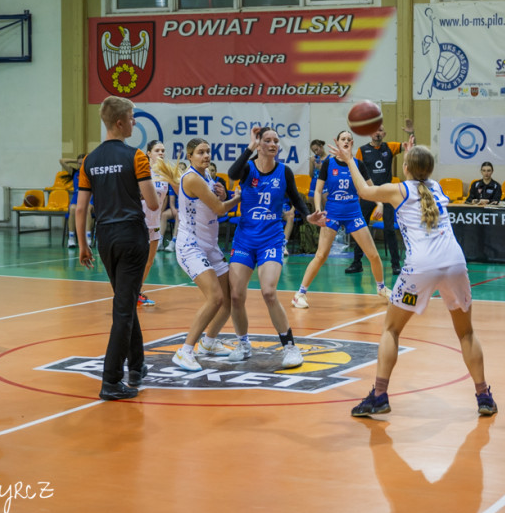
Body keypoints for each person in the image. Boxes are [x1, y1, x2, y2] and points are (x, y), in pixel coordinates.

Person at [333, 139, 496, 417]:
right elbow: (420, 174)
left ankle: (380, 395)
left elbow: (363, 190)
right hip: (455, 263)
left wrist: (349, 159)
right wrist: (412, 153)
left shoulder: (398, 190)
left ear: (405, 167)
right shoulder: (438, 187)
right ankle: (484, 397)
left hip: (421, 268)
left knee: (391, 330)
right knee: (466, 333)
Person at [75, 96, 160, 401]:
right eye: (133, 117)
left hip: (105, 238)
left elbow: (81, 208)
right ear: (121, 122)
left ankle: (137, 365)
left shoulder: (89, 160)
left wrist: (84, 244)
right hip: (131, 236)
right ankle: (111, 380)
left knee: (124, 300)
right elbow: (152, 203)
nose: (135, 122)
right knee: (123, 309)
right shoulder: (136, 157)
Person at [226, 126, 326, 369]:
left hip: (270, 238)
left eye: (275, 141)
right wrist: (250, 145)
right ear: (259, 145)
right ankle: (243, 343)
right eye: (267, 140)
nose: (272, 144)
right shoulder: (247, 168)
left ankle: (290, 347)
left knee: (269, 292)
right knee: (236, 295)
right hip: (245, 239)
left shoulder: (284, 171)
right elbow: (232, 173)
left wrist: (308, 215)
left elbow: (295, 197)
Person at [164, 138, 241, 371]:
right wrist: (238, 198)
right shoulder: (193, 178)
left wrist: (224, 192)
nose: (206, 155)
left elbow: (214, 202)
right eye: (200, 152)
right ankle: (185, 351)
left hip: (210, 246)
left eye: (208, 151)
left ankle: (208, 343)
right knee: (215, 298)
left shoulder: (207, 176)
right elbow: (219, 210)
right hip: (191, 246)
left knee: (229, 301)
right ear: (190, 156)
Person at [292, 130, 391, 309]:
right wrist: (319, 210)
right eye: (342, 139)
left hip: (354, 213)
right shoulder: (328, 163)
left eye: (348, 139)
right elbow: (318, 190)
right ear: (337, 142)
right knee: (321, 255)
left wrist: (380, 204)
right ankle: (300, 294)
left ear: (352, 143)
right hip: (333, 213)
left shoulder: (357, 164)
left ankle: (381, 288)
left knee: (374, 255)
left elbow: (371, 187)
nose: (345, 141)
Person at [348, 120, 413, 276]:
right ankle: (357, 263)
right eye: (375, 130)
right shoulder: (362, 151)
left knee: (390, 230)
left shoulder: (389, 147)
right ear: (370, 133)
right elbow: (357, 174)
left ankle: (396, 265)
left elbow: (411, 150)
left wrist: (411, 133)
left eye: (380, 130)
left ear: (384, 134)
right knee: (360, 228)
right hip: (368, 194)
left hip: (387, 194)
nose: (377, 133)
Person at [137, 140, 171, 306]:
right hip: (140, 222)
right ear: (148, 153)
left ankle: (137, 291)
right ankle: (128, 291)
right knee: (137, 260)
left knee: (149, 261)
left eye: (163, 150)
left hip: (154, 222)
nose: (161, 153)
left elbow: (162, 200)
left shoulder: (165, 173)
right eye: (157, 150)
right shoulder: (143, 171)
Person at [65, 153, 94, 249]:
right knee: (72, 208)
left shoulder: (92, 173)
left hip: (90, 202)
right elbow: (62, 161)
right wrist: (75, 161)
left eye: (83, 163)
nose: (81, 165)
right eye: (79, 163)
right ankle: (71, 238)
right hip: (76, 201)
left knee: (87, 209)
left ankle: (88, 238)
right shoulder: (75, 173)